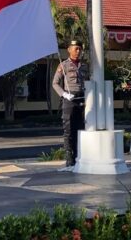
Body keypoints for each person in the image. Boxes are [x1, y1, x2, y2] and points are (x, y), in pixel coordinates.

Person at [52, 40, 89, 168]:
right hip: (69, 99)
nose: (78, 51)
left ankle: (79, 155)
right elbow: (55, 83)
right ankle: (69, 157)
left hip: (82, 98)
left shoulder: (84, 66)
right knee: (68, 130)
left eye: (79, 49)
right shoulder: (63, 65)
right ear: (69, 49)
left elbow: (88, 81)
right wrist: (64, 94)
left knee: (80, 129)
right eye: (76, 49)